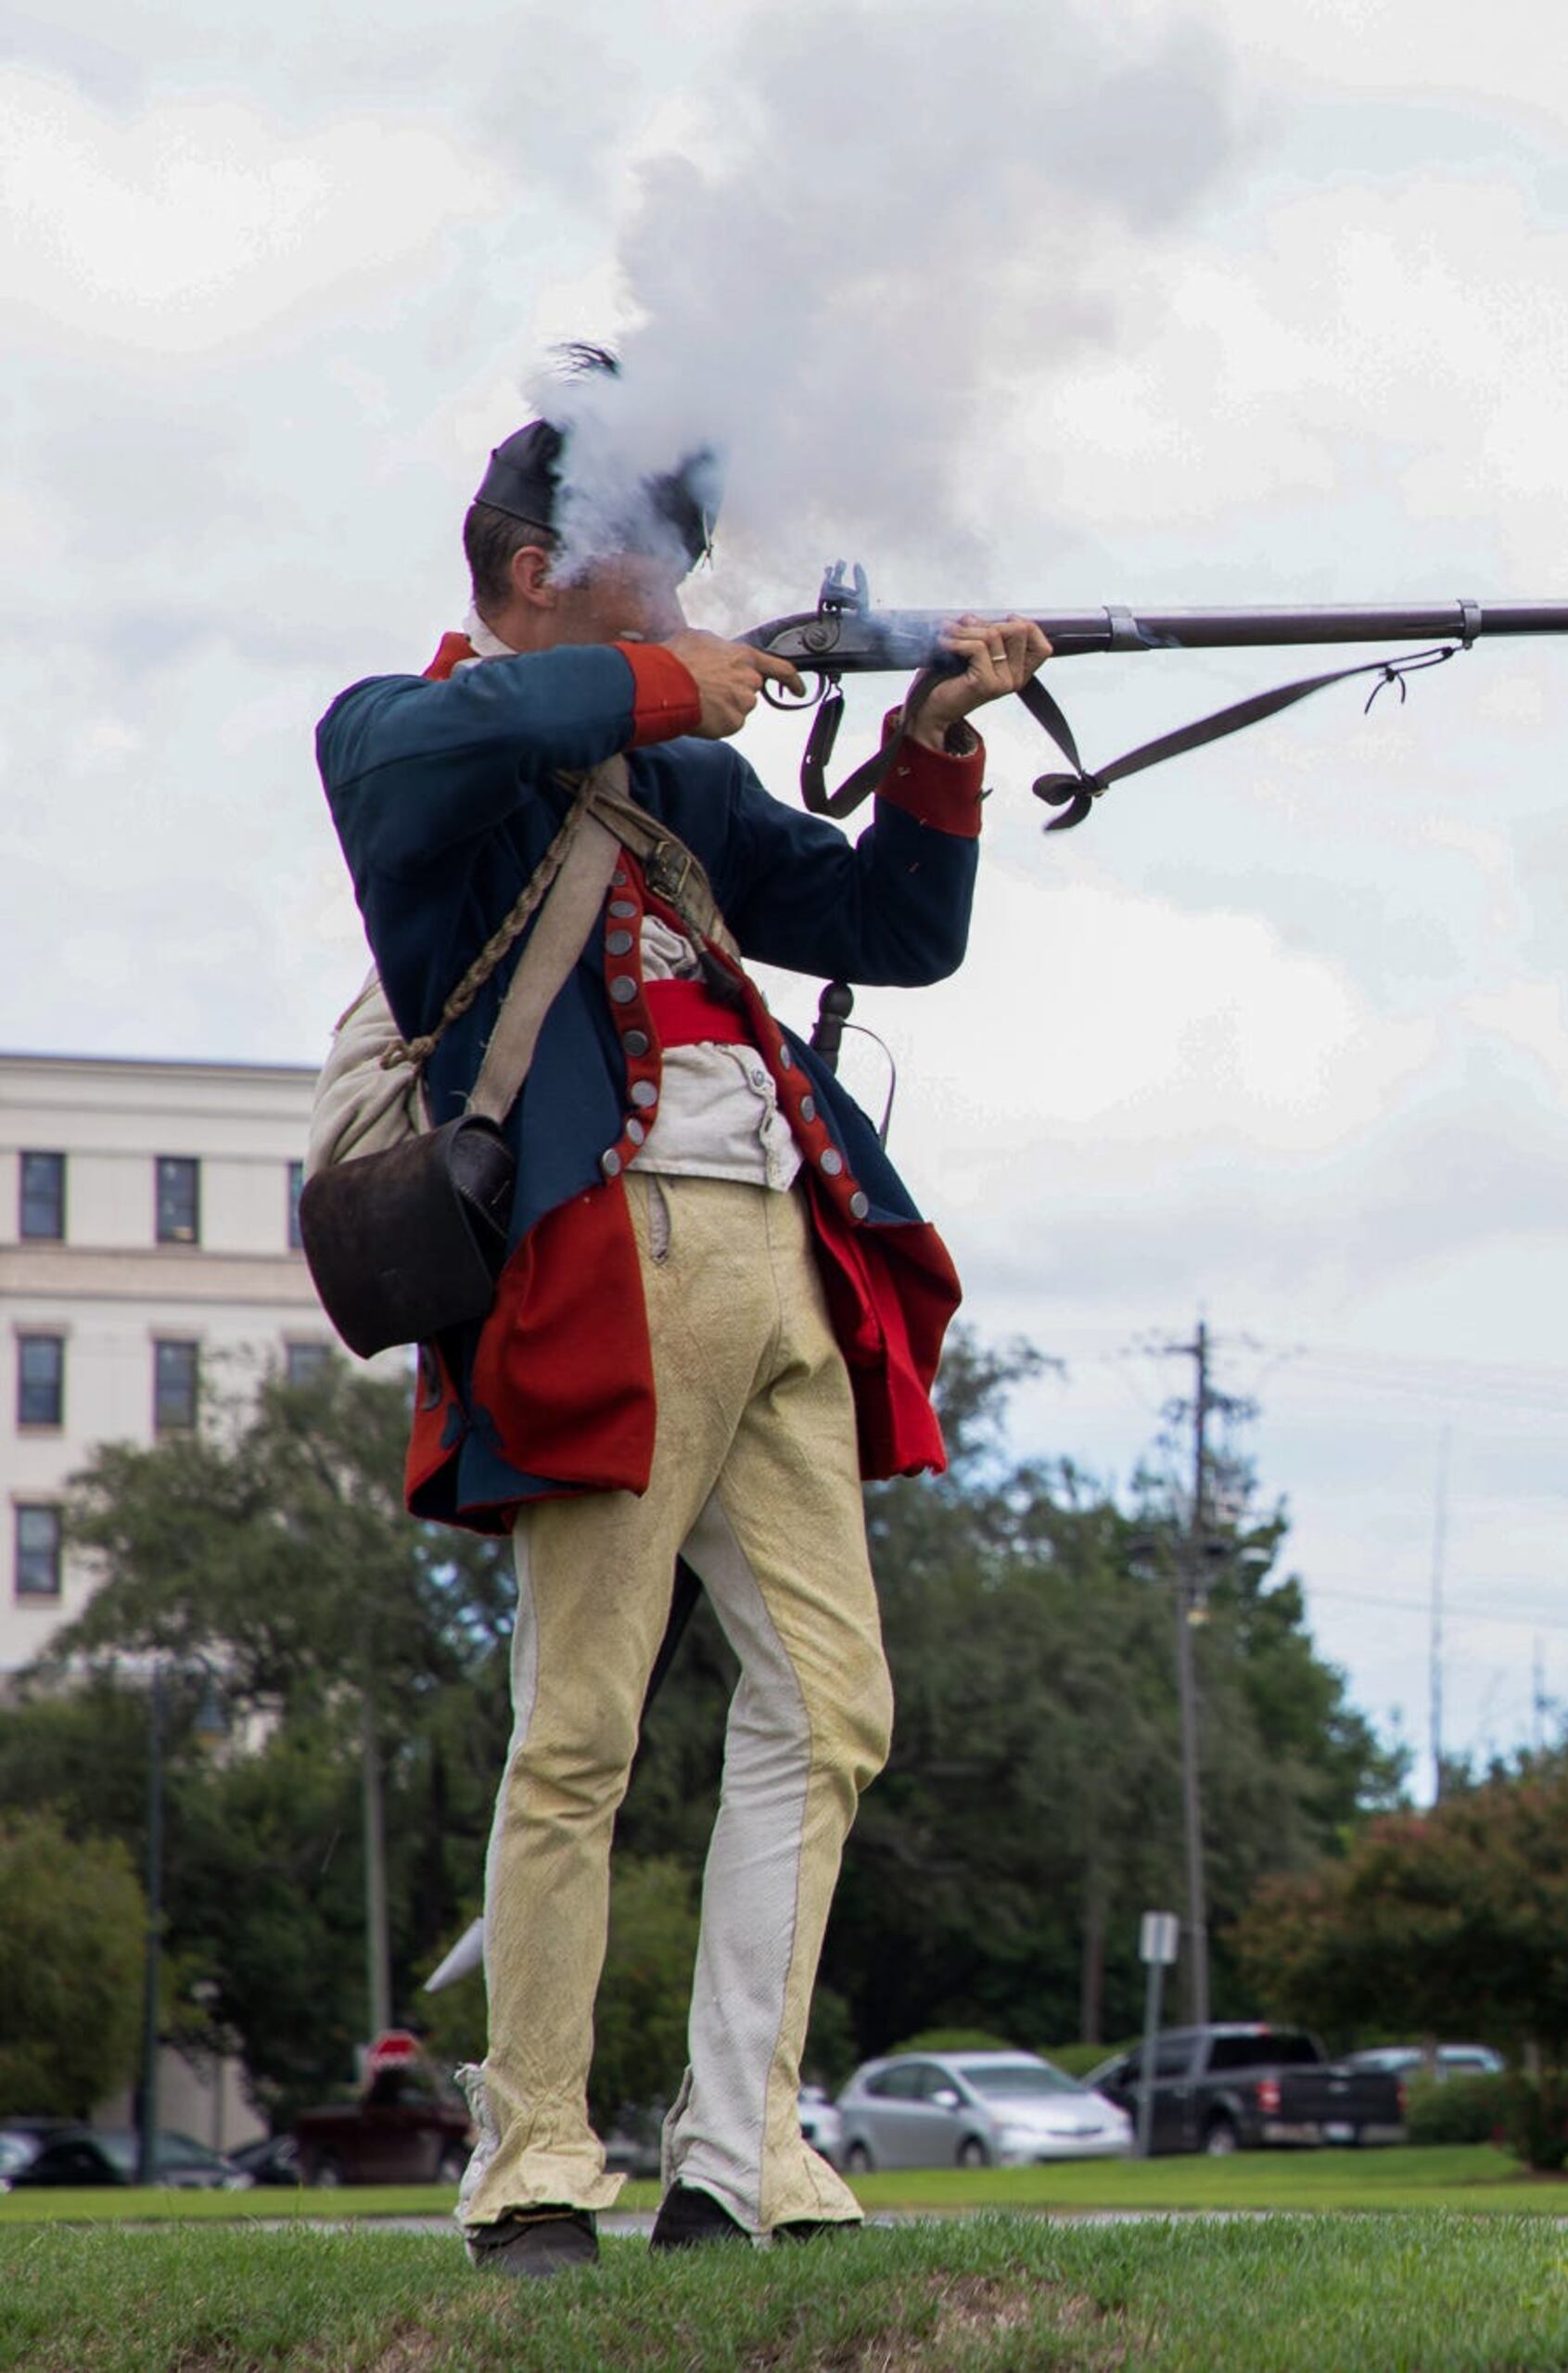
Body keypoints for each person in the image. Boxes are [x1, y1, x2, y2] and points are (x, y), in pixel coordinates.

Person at [315, 384, 1049, 2274]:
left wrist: (935, 740)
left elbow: (899, 928)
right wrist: (672, 684)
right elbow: (462, 739)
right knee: (580, 1735)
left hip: (783, 1252)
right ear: (540, 569)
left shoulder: (692, 774)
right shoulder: (412, 738)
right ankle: (537, 2156)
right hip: (595, 1272)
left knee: (832, 1705)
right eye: (659, 558)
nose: (694, 594)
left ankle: (741, 2148)